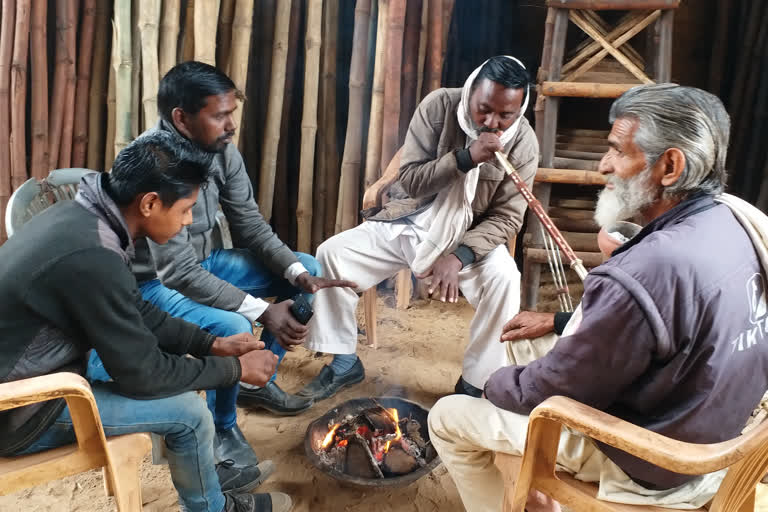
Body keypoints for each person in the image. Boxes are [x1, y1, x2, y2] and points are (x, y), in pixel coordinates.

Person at [427, 83, 768, 512]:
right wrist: (555, 323)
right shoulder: (736, 223)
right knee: (523, 345)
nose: (604, 164)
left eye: (619, 151)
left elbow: (555, 386)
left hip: (653, 460)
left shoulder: (648, 268)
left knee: (448, 416)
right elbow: (668, 325)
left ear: (670, 166)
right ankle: (540, 486)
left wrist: (490, 387)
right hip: (711, 428)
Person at [0, 132, 292, 512]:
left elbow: (134, 306)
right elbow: (145, 376)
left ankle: (205, 482)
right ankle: (212, 508)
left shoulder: (88, 214)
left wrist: (209, 343)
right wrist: (234, 368)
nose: (188, 221)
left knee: (182, 390)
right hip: (22, 409)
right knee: (188, 414)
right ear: (150, 203)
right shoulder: (94, 255)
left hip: (35, 369)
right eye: (186, 209)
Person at [87, 62, 356, 470]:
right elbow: (176, 273)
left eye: (231, 113)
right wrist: (263, 310)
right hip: (153, 285)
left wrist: (297, 274)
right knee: (236, 326)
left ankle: (252, 379)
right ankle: (222, 426)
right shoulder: (155, 162)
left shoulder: (221, 151)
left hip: (204, 264)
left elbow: (248, 222)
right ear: (181, 118)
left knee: (303, 266)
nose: (231, 125)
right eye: (219, 115)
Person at [299, 56, 539, 402]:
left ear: (520, 109)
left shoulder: (524, 143)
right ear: (471, 92)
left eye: (506, 115)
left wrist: (459, 256)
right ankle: (344, 363)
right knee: (332, 254)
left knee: (505, 279)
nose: (492, 123)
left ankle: (475, 381)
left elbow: (507, 217)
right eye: (484, 109)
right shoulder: (439, 106)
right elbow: (410, 182)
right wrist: (465, 157)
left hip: (466, 236)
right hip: (408, 219)